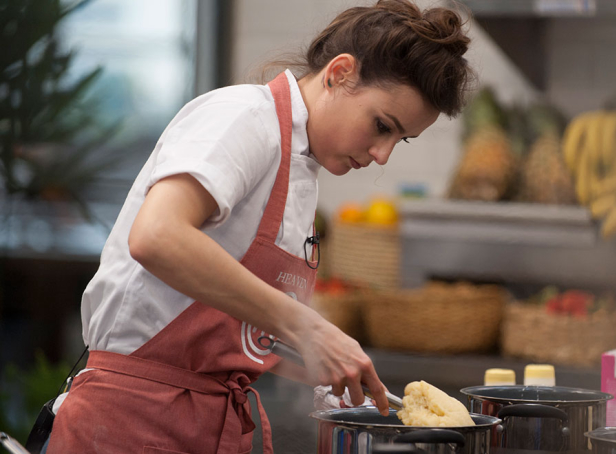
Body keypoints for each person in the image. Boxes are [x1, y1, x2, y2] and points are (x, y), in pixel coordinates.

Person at [46, 0, 472, 452]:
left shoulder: (300, 168)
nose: (383, 155)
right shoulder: (245, 117)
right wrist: (307, 328)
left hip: (207, 424)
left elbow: (236, 321)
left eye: (399, 140)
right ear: (340, 73)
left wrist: (326, 368)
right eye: (381, 125)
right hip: (133, 420)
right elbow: (157, 236)